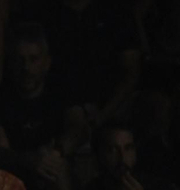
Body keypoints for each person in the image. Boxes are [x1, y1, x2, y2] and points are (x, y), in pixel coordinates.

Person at [0, 22, 79, 190]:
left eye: (34, 60)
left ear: (47, 62)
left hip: (52, 174)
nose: (26, 68)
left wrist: (55, 153)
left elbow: (78, 127)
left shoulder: (62, 94)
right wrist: (31, 160)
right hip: (12, 176)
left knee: (58, 169)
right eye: (20, 60)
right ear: (10, 63)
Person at [15, 0, 142, 128]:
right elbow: (28, 63)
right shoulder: (43, 10)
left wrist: (103, 115)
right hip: (54, 109)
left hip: (108, 109)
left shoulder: (116, 9)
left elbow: (131, 72)